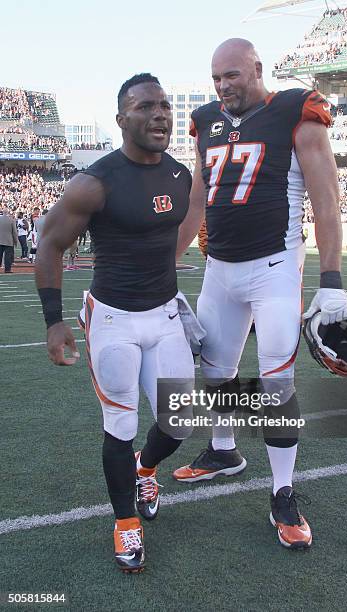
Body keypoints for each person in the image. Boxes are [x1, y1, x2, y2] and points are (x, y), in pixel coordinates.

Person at [174, 38, 347, 549]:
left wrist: (332, 281)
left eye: (232, 75)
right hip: (219, 268)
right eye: (215, 78)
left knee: (276, 383)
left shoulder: (297, 109)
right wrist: (166, 272)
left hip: (275, 266)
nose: (223, 86)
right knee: (215, 370)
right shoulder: (206, 120)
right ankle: (224, 451)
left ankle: (282, 491)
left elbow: (327, 201)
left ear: (256, 68)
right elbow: (195, 206)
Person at [35, 73, 195, 573]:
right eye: (146, 106)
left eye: (165, 105)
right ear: (121, 118)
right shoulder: (95, 180)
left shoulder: (178, 174)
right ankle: (126, 524)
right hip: (115, 320)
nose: (159, 114)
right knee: (120, 427)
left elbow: (178, 229)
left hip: (166, 313)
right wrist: (53, 320)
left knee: (180, 421)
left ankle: (146, 470)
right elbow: (49, 244)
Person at [0, 207, 18, 273]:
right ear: (8, 213)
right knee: (8, 256)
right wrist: (16, 242)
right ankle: (7, 269)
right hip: (8, 240)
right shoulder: (11, 220)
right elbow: (14, 232)